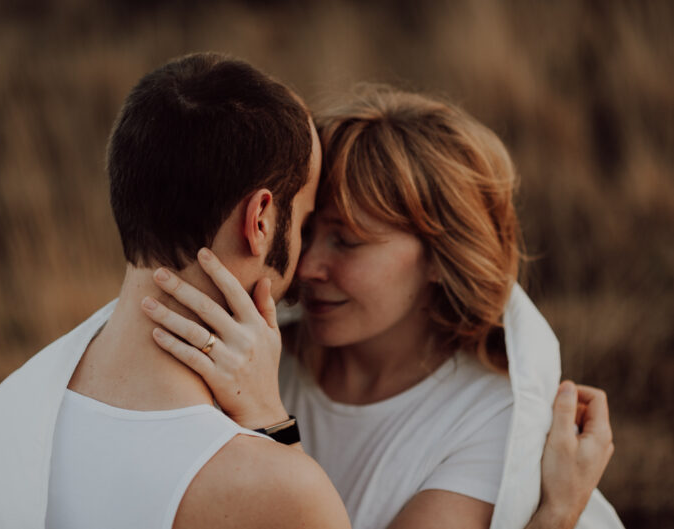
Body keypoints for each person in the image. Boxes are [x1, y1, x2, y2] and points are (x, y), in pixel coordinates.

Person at [142, 86, 624, 528]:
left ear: (440, 258)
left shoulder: (489, 419)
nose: (307, 267)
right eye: (305, 230)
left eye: (347, 242)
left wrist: (267, 417)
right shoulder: (254, 352)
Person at [0, 52, 351, 529]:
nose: (309, 256)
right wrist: (272, 424)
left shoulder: (0, 415)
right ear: (261, 220)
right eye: (307, 220)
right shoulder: (281, 491)